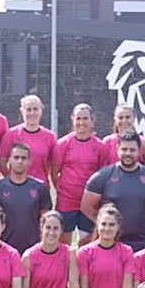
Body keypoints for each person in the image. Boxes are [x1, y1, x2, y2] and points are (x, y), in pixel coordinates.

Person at [81, 130, 145, 252]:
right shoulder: (102, 177)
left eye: (132, 150)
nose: (128, 153)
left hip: (143, 244)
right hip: (112, 244)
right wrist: (106, 224)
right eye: (124, 149)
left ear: (139, 151)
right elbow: (86, 207)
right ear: (117, 149)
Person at [51, 103, 109, 242]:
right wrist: (63, 190)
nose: (81, 122)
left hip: (89, 203)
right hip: (66, 201)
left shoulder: (100, 146)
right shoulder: (63, 143)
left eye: (85, 118)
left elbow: (102, 176)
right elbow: (54, 172)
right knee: (63, 242)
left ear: (92, 120)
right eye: (78, 118)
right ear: (73, 119)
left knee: (86, 241)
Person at [0, 141, 52, 255]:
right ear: (10, 160)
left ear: (29, 161)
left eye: (23, 158)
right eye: (16, 157)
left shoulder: (40, 187)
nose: (20, 161)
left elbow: (45, 219)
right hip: (4, 250)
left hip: (32, 249)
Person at [0, 93, 56, 182]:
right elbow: (2, 160)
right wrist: (10, 179)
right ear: (22, 111)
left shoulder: (50, 137)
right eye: (28, 109)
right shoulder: (11, 134)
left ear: (41, 111)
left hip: (40, 188)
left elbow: (53, 165)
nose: (32, 113)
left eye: (35, 109)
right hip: (15, 188)